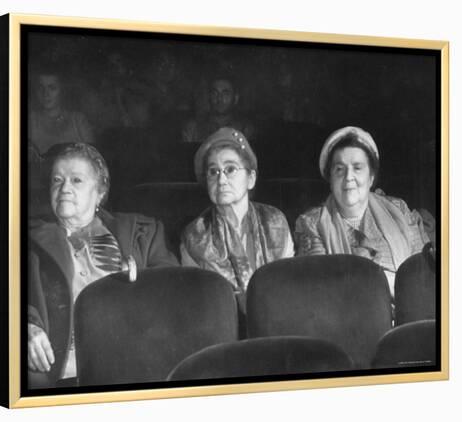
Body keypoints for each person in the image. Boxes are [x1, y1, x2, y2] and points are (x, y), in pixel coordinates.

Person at [28, 143, 178, 388]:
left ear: (99, 192)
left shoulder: (143, 233)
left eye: (76, 180)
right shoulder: (27, 240)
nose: (64, 188)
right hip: (61, 368)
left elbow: (175, 294)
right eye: (57, 180)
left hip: (135, 362)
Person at [295, 126, 430, 298]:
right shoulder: (312, 224)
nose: (348, 177)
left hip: (407, 315)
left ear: (371, 177)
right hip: (348, 319)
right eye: (339, 169)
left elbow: (421, 273)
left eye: (357, 168)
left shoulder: (399, 210)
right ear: (330, 179)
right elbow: (320, 290)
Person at [180, 128, 294, 327]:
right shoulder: (194, 235)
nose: (221, 180)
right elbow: (202, 305)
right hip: (222, 332)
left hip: (278, 327)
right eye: (213, 172)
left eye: (230, 169)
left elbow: (287, 288)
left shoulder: (275, 221)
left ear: (251, 178)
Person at [28, 68, 95, 156]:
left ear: (62, 90)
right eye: (41, 87)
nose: (45, 94)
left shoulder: (78, 121)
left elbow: (93, 157)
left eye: (52, 88)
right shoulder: (30, 121)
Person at [182, 75, 255, 144]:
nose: (219, 99)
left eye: (225, 94)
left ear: (235, 98)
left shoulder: (245, 129)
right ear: (209, 97)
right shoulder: (193, 128)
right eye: (215, 93)